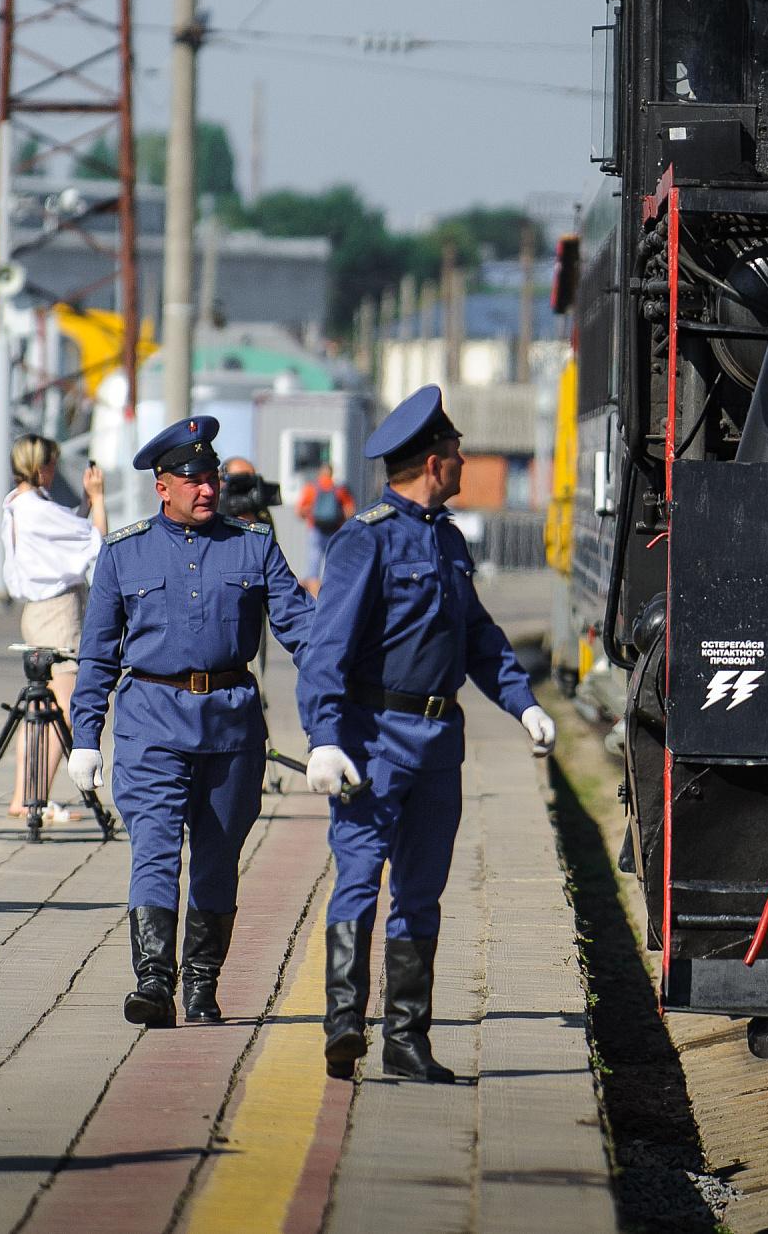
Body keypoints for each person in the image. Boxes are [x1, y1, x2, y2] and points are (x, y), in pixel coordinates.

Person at [299, 384, 554, 1083]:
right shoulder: (365, 538)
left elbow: (478, 638)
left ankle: (407, 1040)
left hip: (438, 744)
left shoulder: (446, 541)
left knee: (420, 891)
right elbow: (327, 648)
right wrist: (325, 737)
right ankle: (345, 1024)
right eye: (458, 453)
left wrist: (522, 703)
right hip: (372, 736)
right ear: (433, 463)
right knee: (357, 875)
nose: (466, 463)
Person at [69, 416, 313, 1028]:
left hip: (231, 726)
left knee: (215, 855)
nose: (208, 489)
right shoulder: (124, 553)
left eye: (212, 478)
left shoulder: (254, 545)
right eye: (193, 479)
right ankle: (154, 980)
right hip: (150, 721)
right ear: (162, 485)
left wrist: (358, 681)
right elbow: (98, 653)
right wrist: (85, 736)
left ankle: (201, 984)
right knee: (153, 848)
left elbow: (305, 632)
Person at [0, 434, 105, 822]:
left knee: (39, 707)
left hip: (38, 611)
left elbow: (68, 533)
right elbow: (97, 542)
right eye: (53, 464)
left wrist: (84, 501)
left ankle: (26, 797)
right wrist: (99, 499)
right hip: (58, 613)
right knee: (65, 709)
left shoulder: (17, 503)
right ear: (42, 466)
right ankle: (35, 799)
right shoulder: (35, 508)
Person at [295, 462, 351, 592]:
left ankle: (315, 599)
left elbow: (299, 512)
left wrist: (311, 513)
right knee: (334, 564)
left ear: (320, 473)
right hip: (335, 530)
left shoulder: (311, 488)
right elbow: (350, 510)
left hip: (315, 529)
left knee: (313, 567)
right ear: (332, 473)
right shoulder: (339, 489)